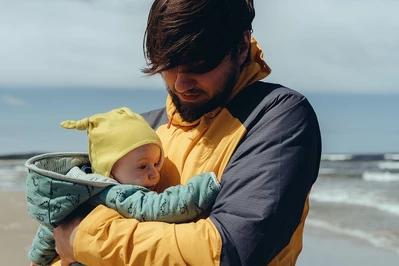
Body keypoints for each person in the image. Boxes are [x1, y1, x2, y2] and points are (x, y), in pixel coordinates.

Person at [53, 0, 322, 265]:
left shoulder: (277, 117)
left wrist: (86, 239)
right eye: (168, 65)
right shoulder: (144, 130)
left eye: (199, 64)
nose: (181, 84)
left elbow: (228, 250)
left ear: (240, 47)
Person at [25, 107, 220, 266]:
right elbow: (163, 207)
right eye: (143, 166)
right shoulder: (118, 194)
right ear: (110, 171)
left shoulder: (78, 190)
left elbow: (49, 228)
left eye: (156, 163)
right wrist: (204, 187)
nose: (155, 174)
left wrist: (37, 259)